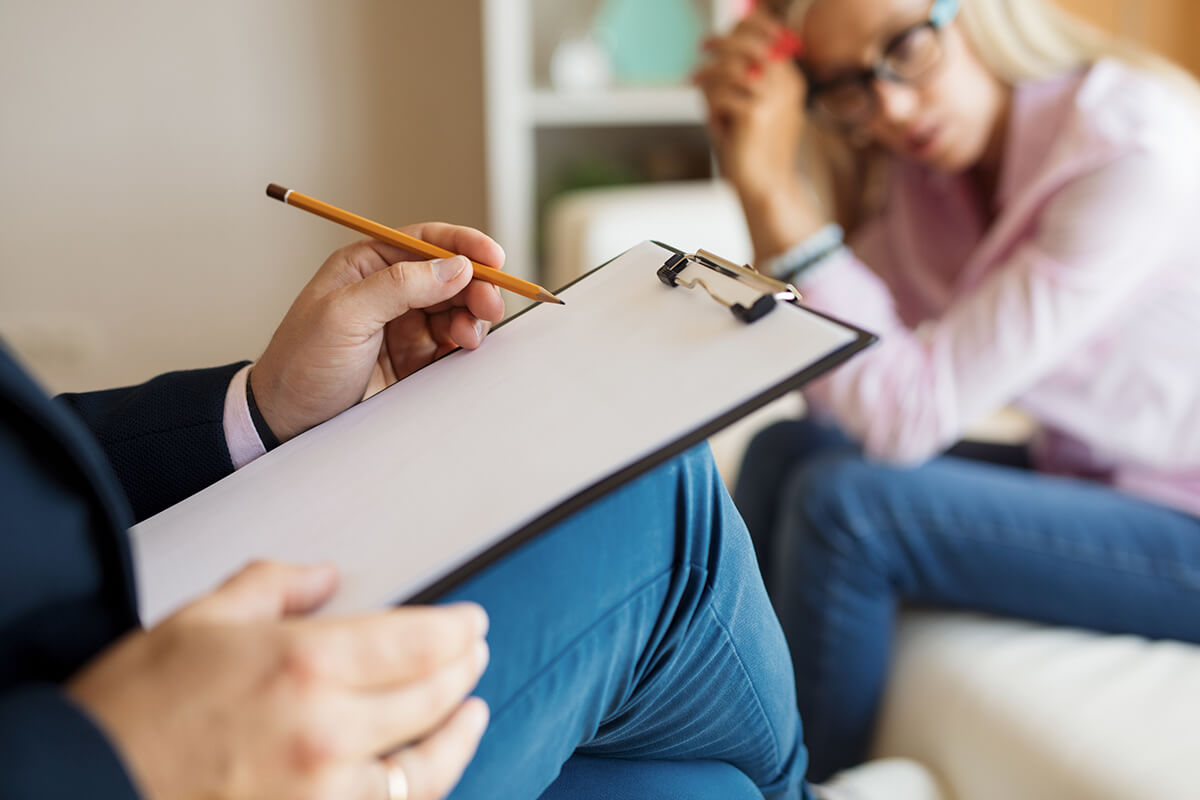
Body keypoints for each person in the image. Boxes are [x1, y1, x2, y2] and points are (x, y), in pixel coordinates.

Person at [0, 225, 828, 800]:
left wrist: (261, 412)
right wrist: (109, 762)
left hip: (98, 644)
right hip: (100, 744)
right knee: (654, 497)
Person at [695, 0, 1200, 781]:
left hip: (1186, 517)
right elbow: (840, 364)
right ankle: (708, 744)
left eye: (904, 46)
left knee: (850, 510)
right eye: (846, 84)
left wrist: (772, 195)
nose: (890, 107)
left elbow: (905, 416)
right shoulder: (935, 180)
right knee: (789, 447)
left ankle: (793, 785)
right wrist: (760, 165)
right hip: (1094, 470)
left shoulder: (1129, 150)